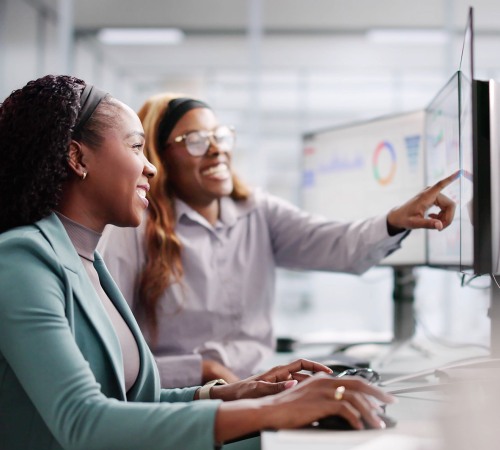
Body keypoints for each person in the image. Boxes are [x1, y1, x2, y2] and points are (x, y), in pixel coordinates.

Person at [0, 75, 397, 450]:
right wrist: (271, 408)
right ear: (77, 158)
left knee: (316, 442)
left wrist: (236, 393)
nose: (149, 165)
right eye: (136, 148)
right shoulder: (22, 260)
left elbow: (134, 400)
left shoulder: (88, 259)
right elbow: (84, 424)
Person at [99, 93, 458, 389]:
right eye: (194, 141)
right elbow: (112, 354)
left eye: (220, 136)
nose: (215, 150)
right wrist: (201, 371)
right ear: (160, 157)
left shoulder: (257, 210)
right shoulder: (133, 228)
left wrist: (394, 220)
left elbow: (336, 244)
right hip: (181, 397)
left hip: (256, 383)